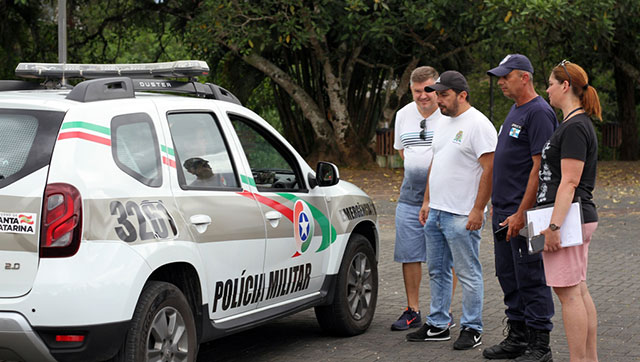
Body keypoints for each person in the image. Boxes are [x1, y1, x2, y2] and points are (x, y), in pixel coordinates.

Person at [406, 71, 497, 351]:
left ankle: (472, 328)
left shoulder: (478, 124)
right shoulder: (444, 122)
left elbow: (490, 169)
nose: (438, 100)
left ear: (462, 95)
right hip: (436, 212)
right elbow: (437, 160)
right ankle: (438, 324)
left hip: (462, 214)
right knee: (437, 270)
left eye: (444, 95)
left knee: (468, 273)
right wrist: (426, 202)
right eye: (438, 94)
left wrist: (478, 209)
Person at [483, 54, 557, 361]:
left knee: (532, 276)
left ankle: (540, 346)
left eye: (505, 76)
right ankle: (518, 335)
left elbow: (540, 169)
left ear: (524, 77)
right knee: (508, 275)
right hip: (504, 212)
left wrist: (522, 213)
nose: (500, 82)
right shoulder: (515, 110)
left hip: (526, 215)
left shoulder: (539, 113)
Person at [538, 60, 600, 362]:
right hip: (574, 218)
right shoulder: (574, 124)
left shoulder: (575, 127)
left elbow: (570, 182)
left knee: (569, 293)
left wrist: (553, 227)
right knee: (578, 290)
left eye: (550, 83)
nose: (546, 89)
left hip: (570, 219)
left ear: (565, 86)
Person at [391, 66, 455, 330]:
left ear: (437, 87)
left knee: (444, 259)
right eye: (417, 91)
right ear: (411, 90)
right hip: (409, 198)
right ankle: (413, 310)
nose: (423, 96)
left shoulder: (449, 115)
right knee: (409, 255)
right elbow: (403, 151)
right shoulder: (403, 115)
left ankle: (444, 312)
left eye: (428, 90)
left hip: (443, 199)